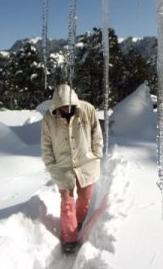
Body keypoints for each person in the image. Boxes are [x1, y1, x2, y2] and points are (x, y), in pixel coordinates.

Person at [40, 84, 104, 253]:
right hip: (62, 166)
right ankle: (69, 238)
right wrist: (50, 164)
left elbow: (96, 133)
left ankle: (79, 220)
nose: (66, 108)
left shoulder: (87, 109)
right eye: (61, 106)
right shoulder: (49, 118)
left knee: (85, 198)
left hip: (86, 163)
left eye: (68, 105)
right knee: (67, 202)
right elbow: (46, 143)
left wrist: (96, 153)